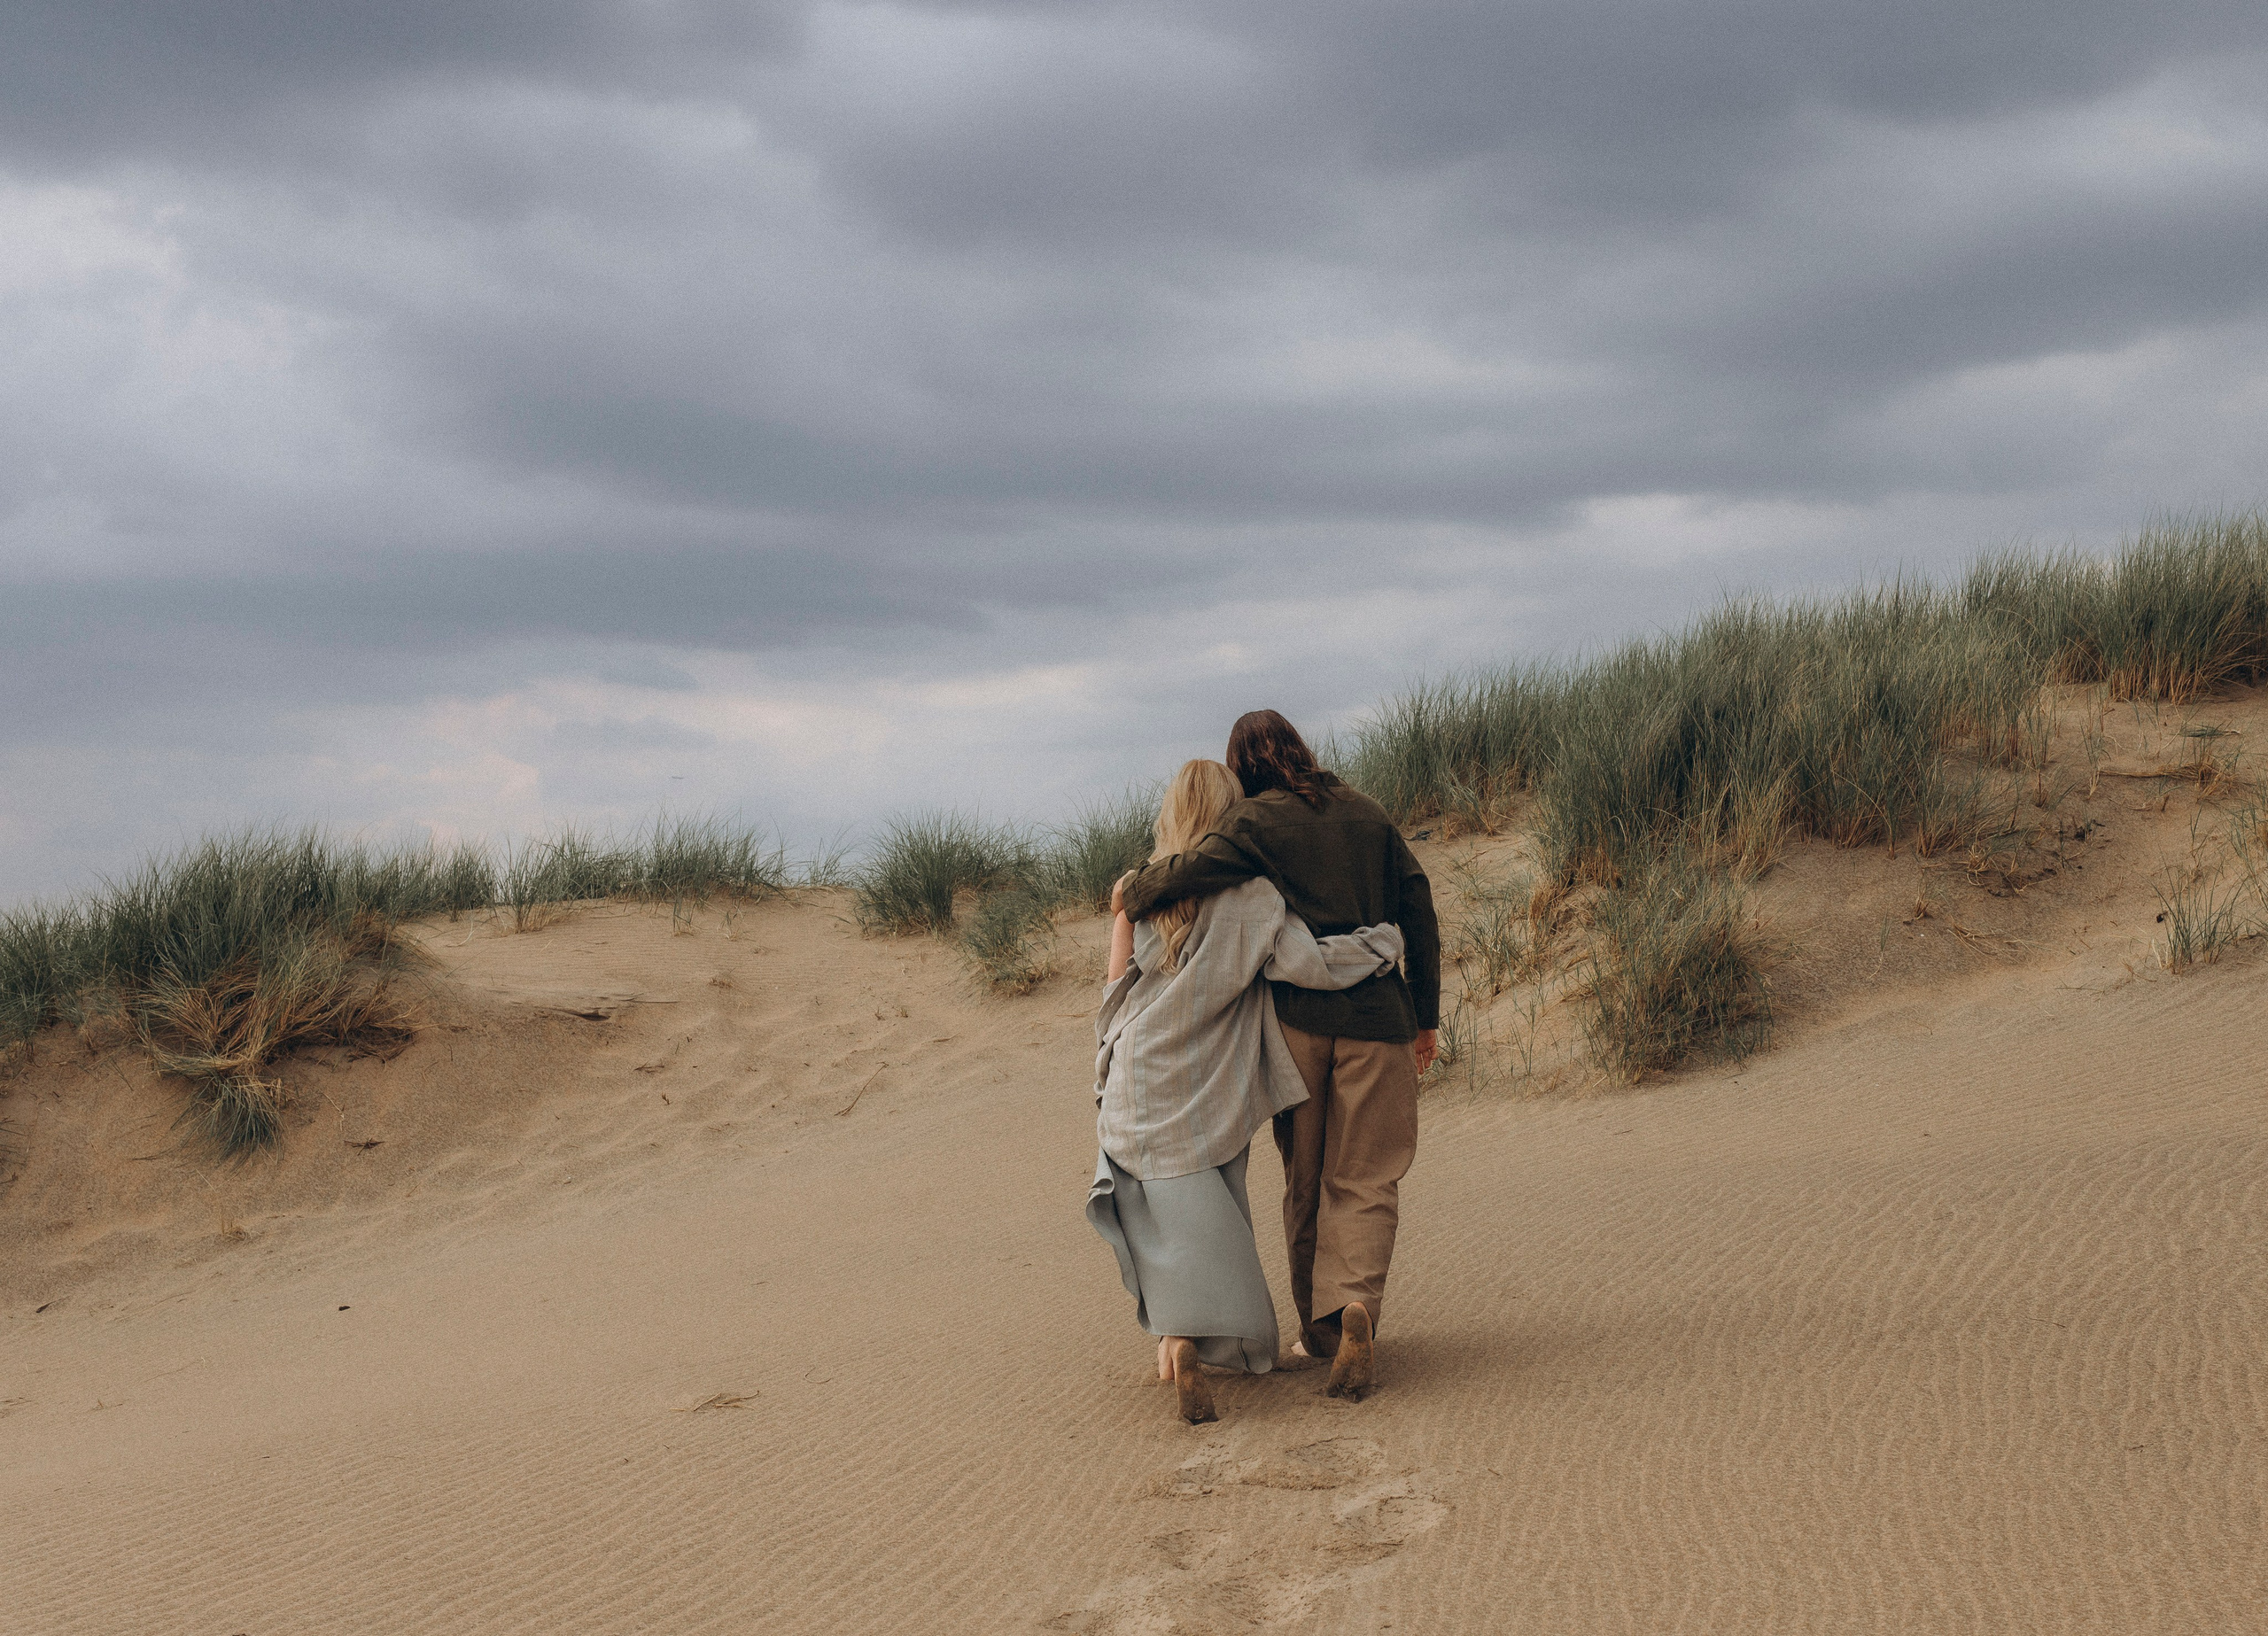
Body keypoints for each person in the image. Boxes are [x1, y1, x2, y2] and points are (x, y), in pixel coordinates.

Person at [1120, 711, 1439, 1403]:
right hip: (1380, 1019)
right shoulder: (1368, 812)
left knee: (1306, 1176)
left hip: (1300, 1022)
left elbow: (1192, 867)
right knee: (1367, 1175)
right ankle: (1354, 1306)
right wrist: (1427, 1016)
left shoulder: (1255, 820)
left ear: (1244, 767)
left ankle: (1318, 1335)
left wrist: (1135, 889)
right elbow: (1418, 904)